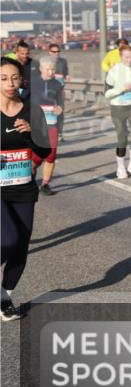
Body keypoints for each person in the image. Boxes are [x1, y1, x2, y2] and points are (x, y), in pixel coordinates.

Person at [1, 57, 51, 320]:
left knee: (21, 244)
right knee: (8, 239)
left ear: (22, 79)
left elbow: (45, 150)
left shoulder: (32, 111)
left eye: (15, 78)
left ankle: (4, 296)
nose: (10, 83)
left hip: (23, 187)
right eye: (4, 78)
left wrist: (32, 134)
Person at [104, 44, 131, 179]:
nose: (130, 59)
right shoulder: (114, 71)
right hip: (118, 107)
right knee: (122, 138)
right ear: (121, 57)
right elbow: (107, 93)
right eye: (127, 57)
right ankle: (120, 167)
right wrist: (121, 89)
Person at [33, 57, 64, 196]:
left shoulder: (58, 84)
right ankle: (29, 179)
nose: (51, 72)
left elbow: (61, 104)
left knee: (51, 156)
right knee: (37, 158)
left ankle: (45, 184)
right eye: (48, 69)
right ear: (41, 69)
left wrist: (59, 110)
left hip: (52, 124)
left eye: (53, 69)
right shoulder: (32, 83)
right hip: (36, 125)